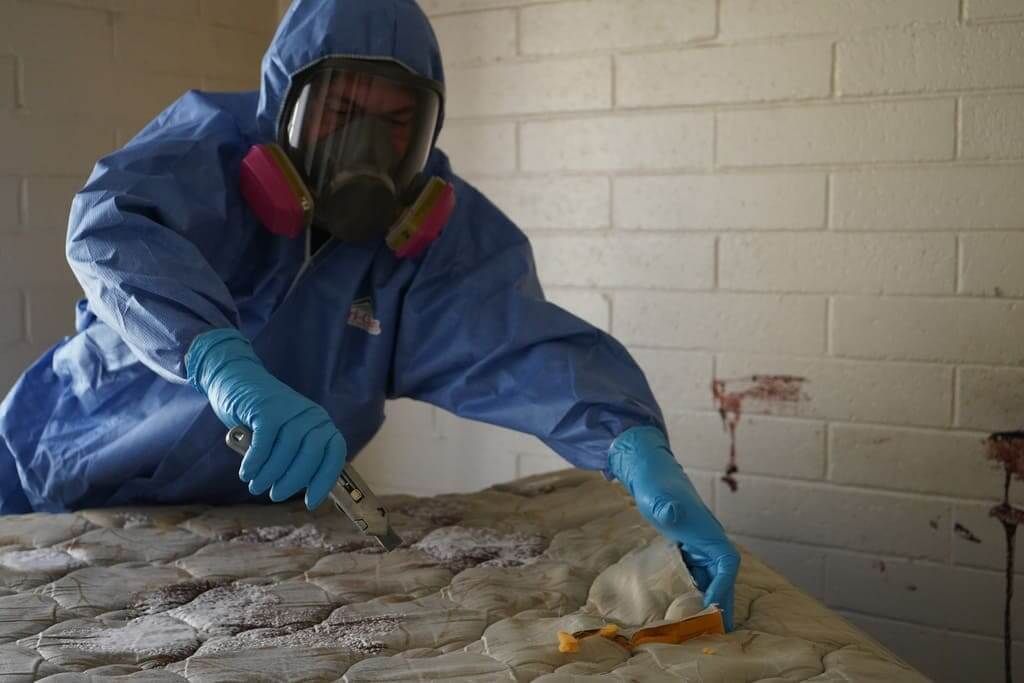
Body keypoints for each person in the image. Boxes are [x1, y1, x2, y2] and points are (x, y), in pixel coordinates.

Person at [0, 0, 740, 629]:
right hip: (57, 470)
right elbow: (110, 227)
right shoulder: (209, 151)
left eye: (394, 124)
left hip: (247, 522)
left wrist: (636, 448)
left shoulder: (431, 245)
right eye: (342, 112)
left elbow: (520, 348)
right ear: (284, 105)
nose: (366, 147)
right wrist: (221, 365)